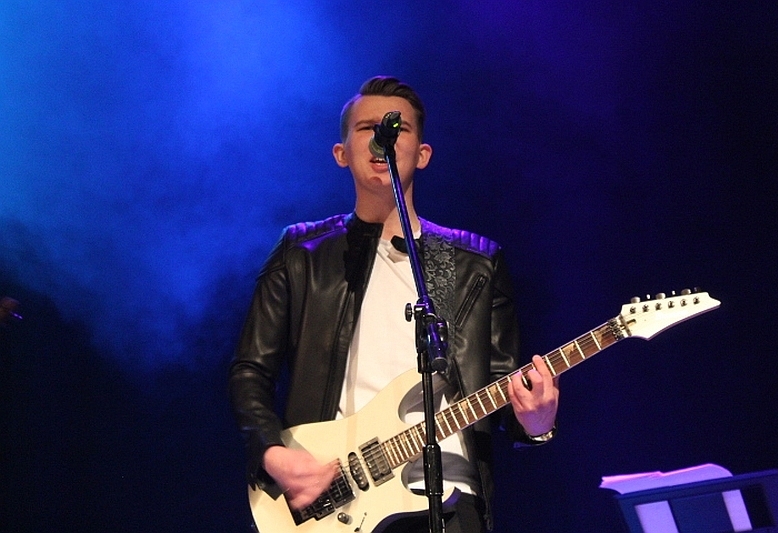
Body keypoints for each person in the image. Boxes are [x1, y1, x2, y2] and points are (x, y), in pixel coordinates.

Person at [228, 76, 559, 533]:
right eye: (367, 128)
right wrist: (272, 452)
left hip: (449, 499)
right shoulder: (301, 253)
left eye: (396, 128)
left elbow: (504, 391)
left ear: (422, 154)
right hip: (335, 498)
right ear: (341, 153)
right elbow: (250, 371)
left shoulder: (476, 263)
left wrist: (538, 421)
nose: (381, 137)